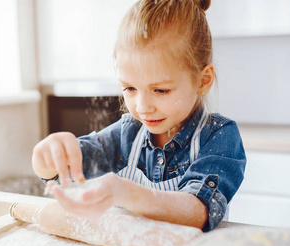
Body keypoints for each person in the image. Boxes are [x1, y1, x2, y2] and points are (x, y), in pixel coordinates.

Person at [32, 0, 246, 232]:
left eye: (160, 90)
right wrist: (47, 159)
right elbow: (68, 169)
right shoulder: (127, 134)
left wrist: (127, 193)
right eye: (130, 89)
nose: (142, 107)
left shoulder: (218, 136)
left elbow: (197, 212)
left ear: (202, 81)